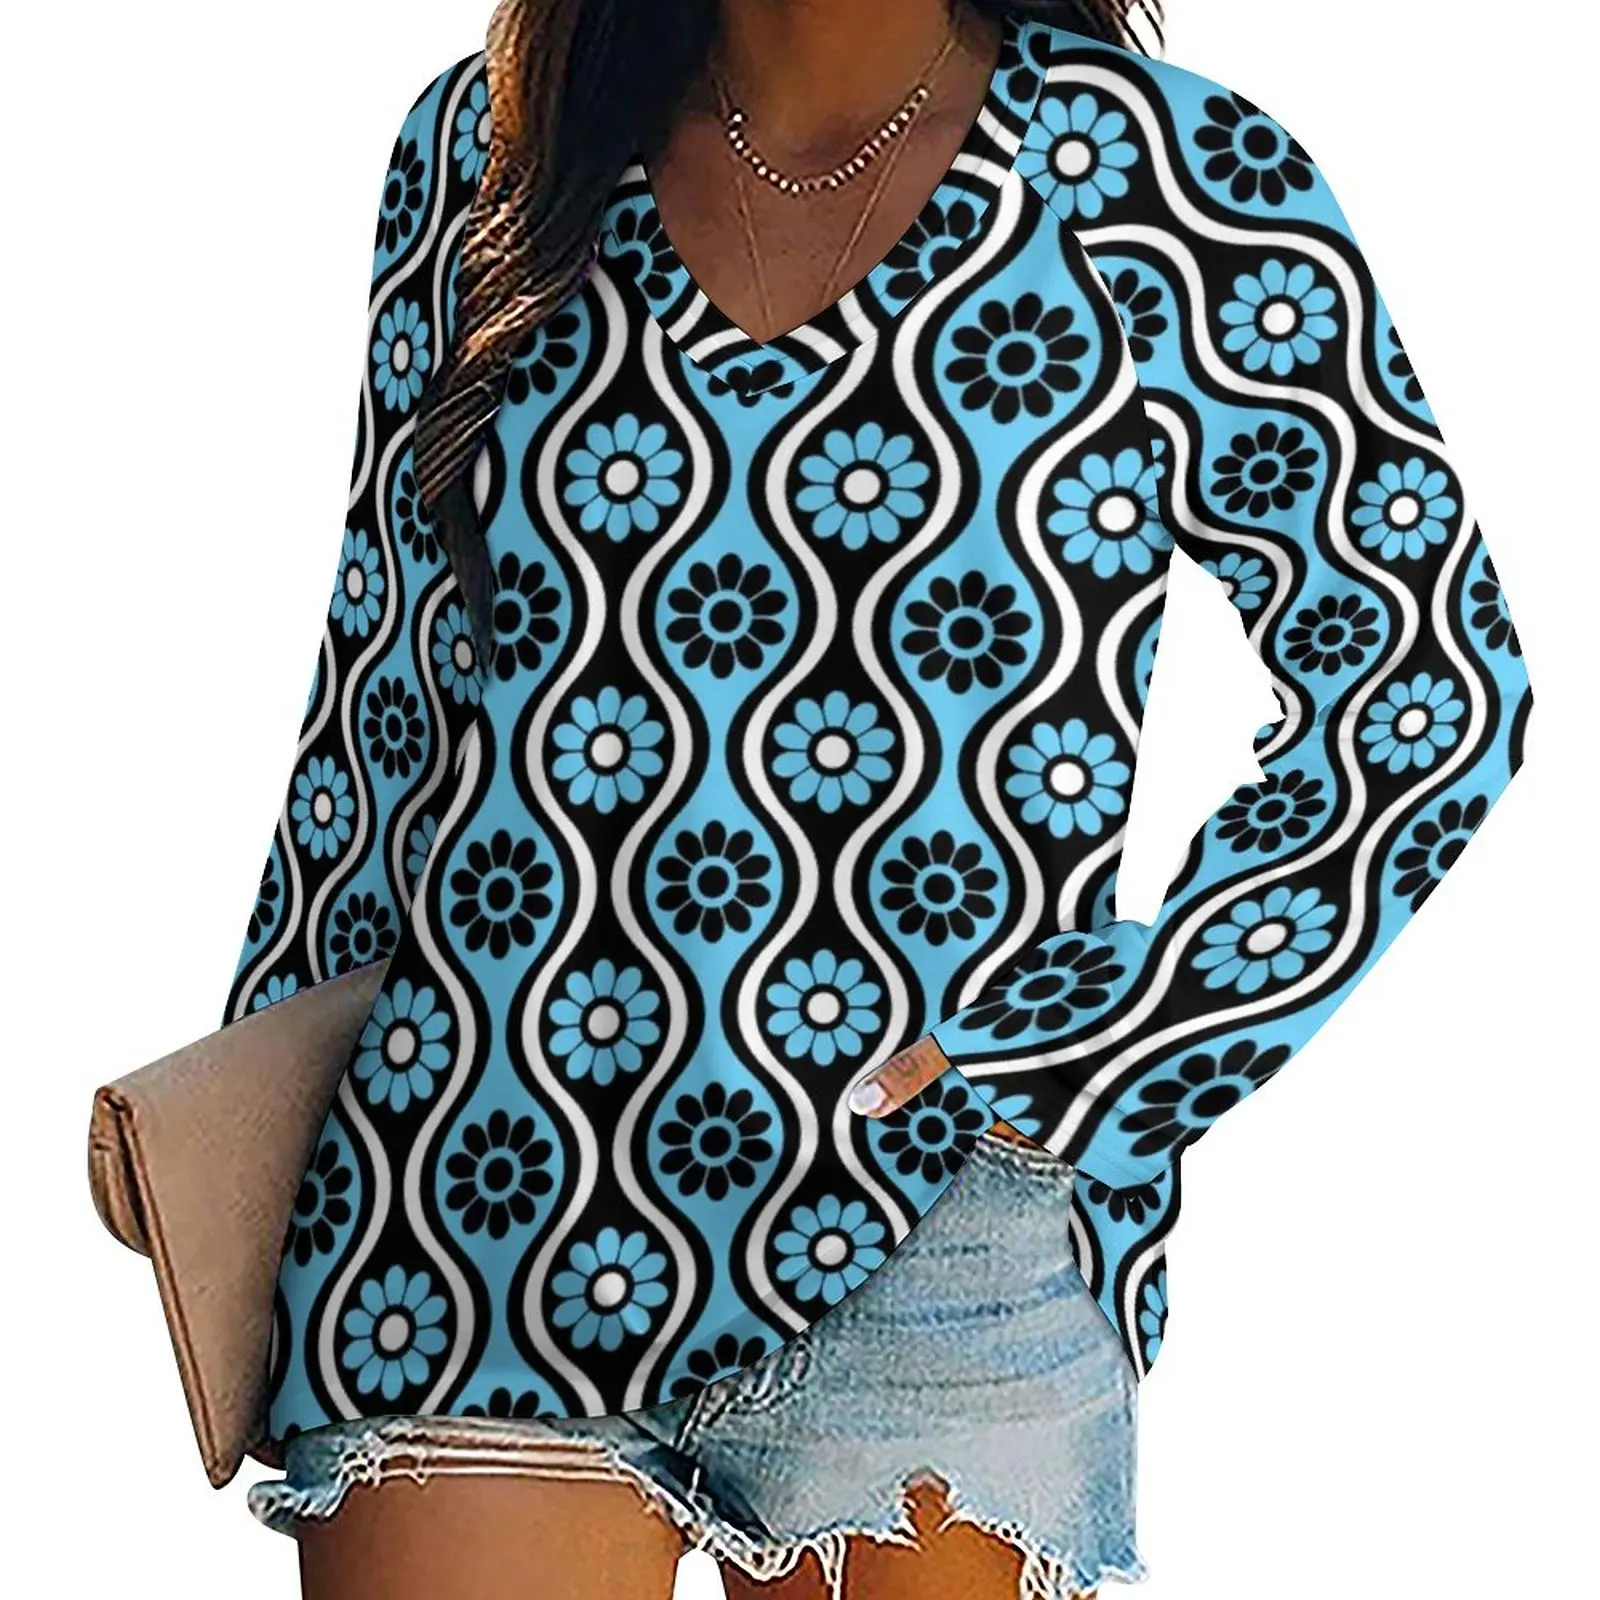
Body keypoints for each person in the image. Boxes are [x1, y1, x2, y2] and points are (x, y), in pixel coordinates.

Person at [217, 1, 1532, 1595]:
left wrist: (1098, 1046)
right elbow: (386, 693)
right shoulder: (488, 143)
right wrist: (236, 1131)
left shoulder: (1169, 177)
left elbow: (1429, 684)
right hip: (471, 1185)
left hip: (929, 1237)